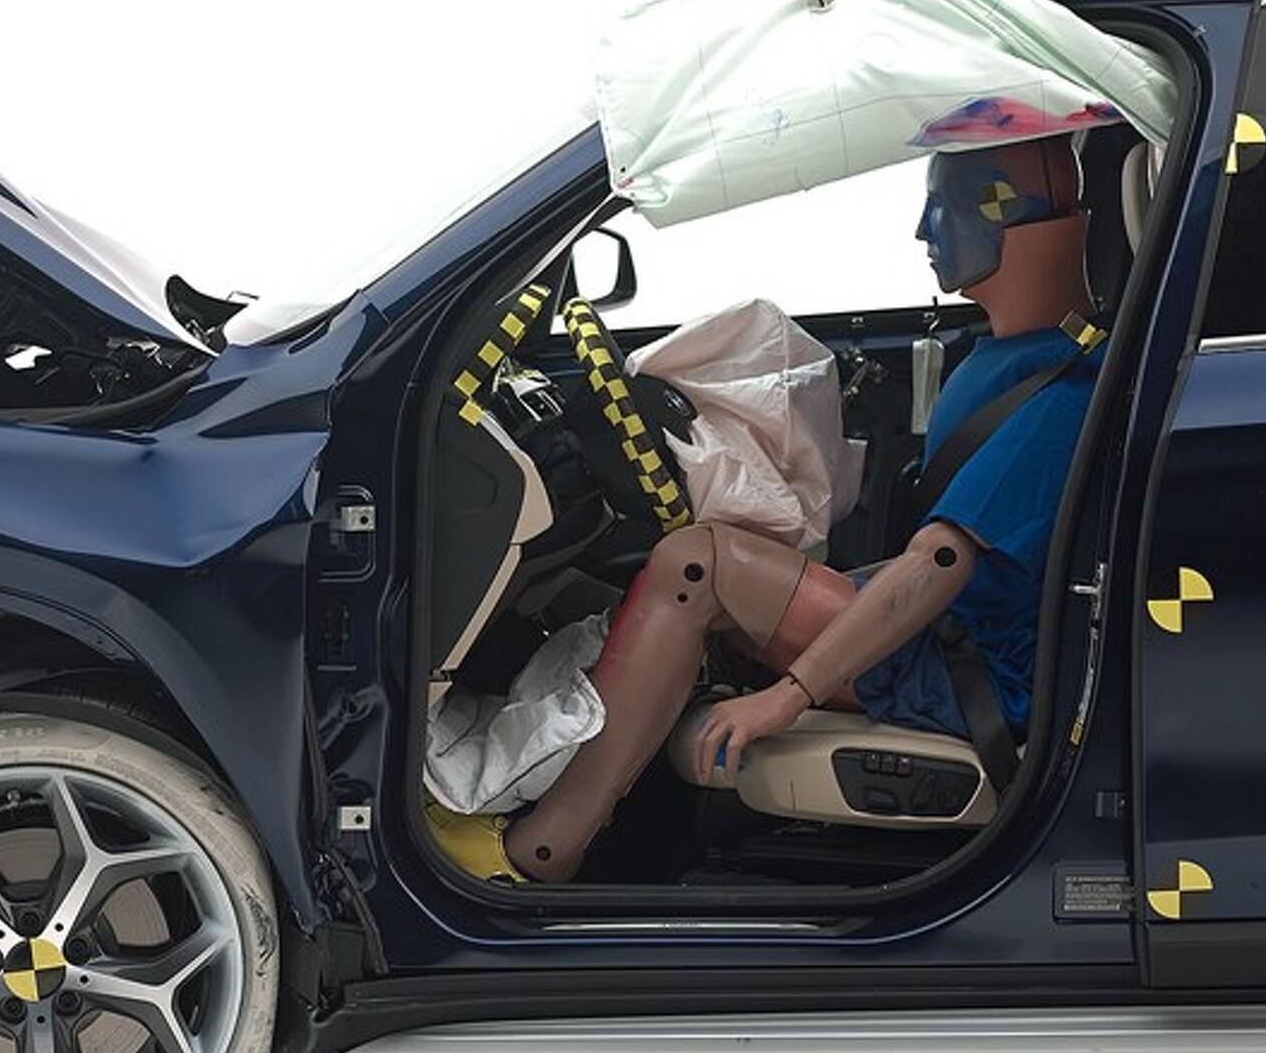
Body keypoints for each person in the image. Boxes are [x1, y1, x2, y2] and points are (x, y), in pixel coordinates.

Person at [452, 134, 1105, 883]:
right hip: (946, 637)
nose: (923, 232)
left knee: (696, 564)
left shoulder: (1058, 395)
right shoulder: (1011, 357)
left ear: (1011, 221)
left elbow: (942, 562)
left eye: (942, 207)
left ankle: (536, 854)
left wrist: (784, 699)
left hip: (964, 669)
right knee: (642, 582)